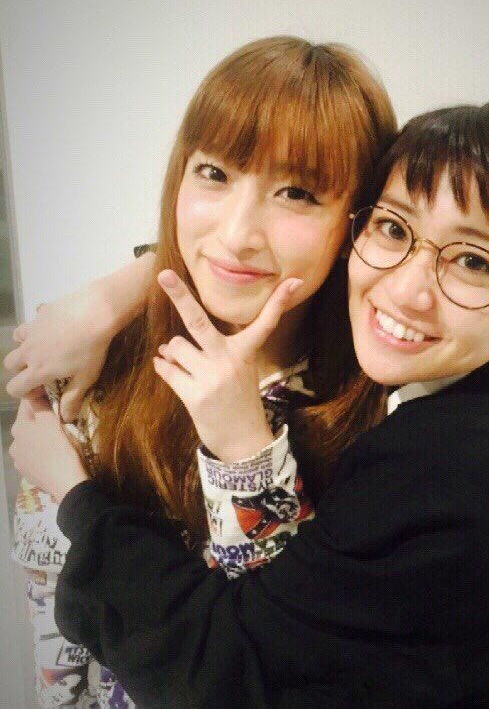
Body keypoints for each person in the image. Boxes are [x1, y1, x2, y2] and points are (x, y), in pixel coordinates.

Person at [9, 98, 489, 707]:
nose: (407, 292)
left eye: (473, 261)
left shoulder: (445, 466)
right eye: (395, 228)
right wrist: (109, 299)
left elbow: (231, 675)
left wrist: (81, 491)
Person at [5, 35, 397, 707]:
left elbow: (296, 658)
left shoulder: (377, 411)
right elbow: (59, 628)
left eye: (296, 192)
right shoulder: (99, 363)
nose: (237, 233)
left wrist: (246, 454)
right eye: (214, 173)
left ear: (353, 225)